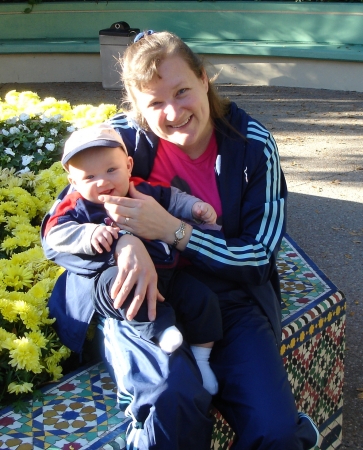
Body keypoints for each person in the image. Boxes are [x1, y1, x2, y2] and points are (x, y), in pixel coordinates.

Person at [42, 30, 319, 449]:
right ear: (137, 106)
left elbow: (259, 256)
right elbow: (59, 227)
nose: (172, 112)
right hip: (145, 298)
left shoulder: (252, 145)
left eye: (182, 90)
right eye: (154, 102)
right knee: (173, 402)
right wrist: (124, 242)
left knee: (275, 432)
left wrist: (173, 230)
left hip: (229, 296)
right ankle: (142, 412)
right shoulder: (119, 140)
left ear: (205, 79)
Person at [43, 123, 222, 394]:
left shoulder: (141, 190)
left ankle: (202, 359)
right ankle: (161, 330)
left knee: (202, 298)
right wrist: (88, 234)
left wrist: (194, 207)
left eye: (111, 170)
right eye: (89, 177)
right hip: (118, 274)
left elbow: (173, 198)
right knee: (124, 290)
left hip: (166, 272)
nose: (103, 182)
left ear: (128, 166)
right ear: (74, 182)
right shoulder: (78, 206)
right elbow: (54, 234)